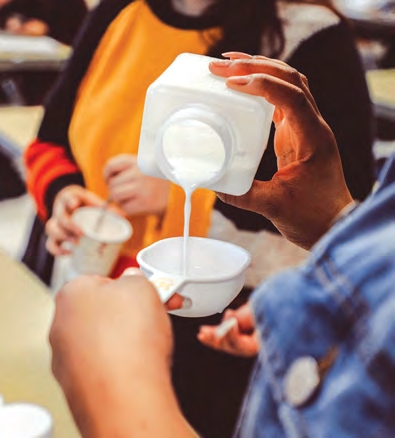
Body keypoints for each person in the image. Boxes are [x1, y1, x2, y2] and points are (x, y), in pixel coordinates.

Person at [24, 0, 375, 436]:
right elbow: (49, 140)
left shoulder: (308, 37)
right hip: (96, 281)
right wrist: (63, 196)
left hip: (221, 320)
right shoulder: (121, 11)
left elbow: (352, 226)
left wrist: (179, 197)